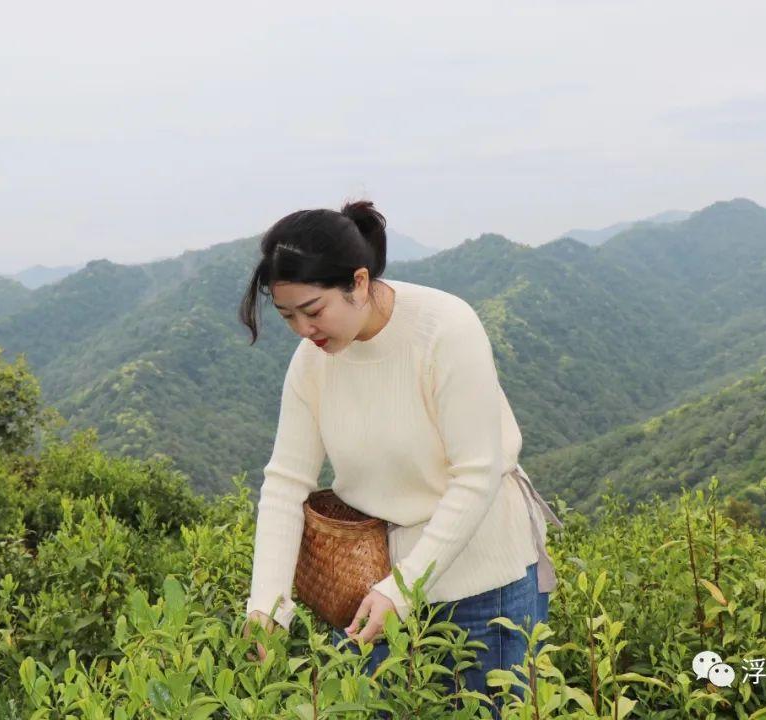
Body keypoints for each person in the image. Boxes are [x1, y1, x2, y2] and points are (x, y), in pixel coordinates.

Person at [238, 199, 562, 716]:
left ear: (360, 282)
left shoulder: (445, 329)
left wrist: (403, 588)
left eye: (314, 310)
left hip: (484, 585)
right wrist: (268, 604)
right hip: (374, 588)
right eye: (287, 316)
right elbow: (284, 483)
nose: (302, 329)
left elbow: (476, 476)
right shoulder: (313, 361)